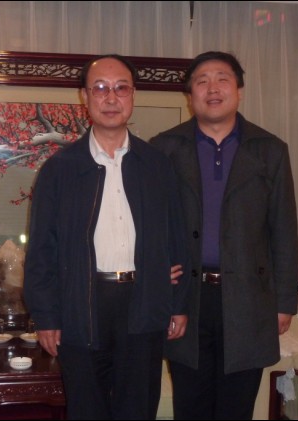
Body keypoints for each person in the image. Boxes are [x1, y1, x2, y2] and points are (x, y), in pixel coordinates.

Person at [23, 54, 190, 420]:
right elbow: (41, 250)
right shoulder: (60, 169)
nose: (111, 98)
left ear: (133, 95)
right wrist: (46, 316)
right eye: (100, 88)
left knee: (138, 407)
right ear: (85, 96)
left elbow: (177, 237)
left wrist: (178, 303)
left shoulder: (156, 164)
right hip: (81, 303)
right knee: (87, 408)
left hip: (143, 302)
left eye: (121, 88)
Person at [149, 51, 298, 420]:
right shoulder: (164, 148)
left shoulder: (269, 150)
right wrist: (158, 283)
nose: (212, 88)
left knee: (237, 408)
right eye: (202, 81)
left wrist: (284, 302)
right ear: (190, 95)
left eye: (222, 79)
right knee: (191, 406)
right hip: (187, 299)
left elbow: (283, 229)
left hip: (249, 300)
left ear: (239, 91)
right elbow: (150, 226)